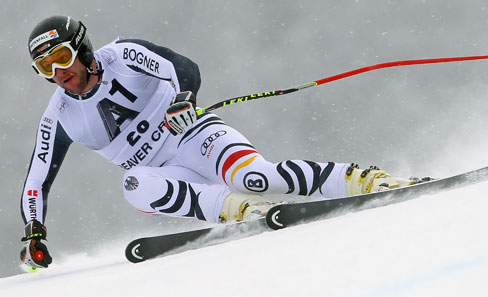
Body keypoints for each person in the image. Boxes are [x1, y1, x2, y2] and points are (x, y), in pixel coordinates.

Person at [20, 15, 418, 270]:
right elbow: (36, 180)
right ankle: (242, 211)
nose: (58, 73)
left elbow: (182, 67)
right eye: (45, 67)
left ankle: (363, 179)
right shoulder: (59, 116)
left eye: (61, 57)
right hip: (162, 171)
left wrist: (183, 99)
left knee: (257, 176)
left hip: (193, 136)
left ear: (82, 49)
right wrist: (34, 230)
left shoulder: (121, 56)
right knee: (133, 185)